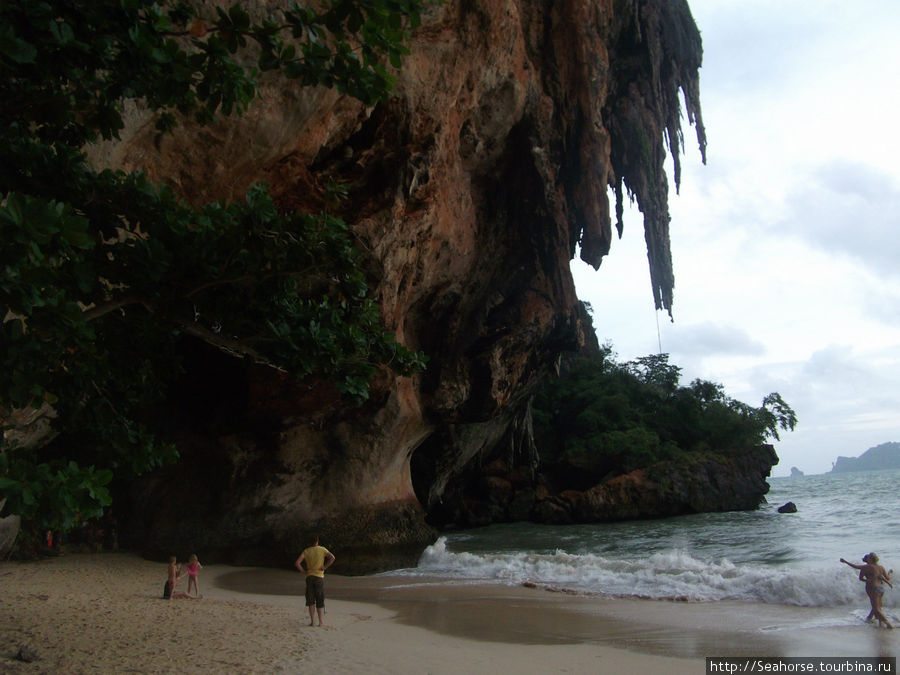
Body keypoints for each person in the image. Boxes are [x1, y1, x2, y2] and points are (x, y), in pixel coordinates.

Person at [841, 553, 893, 628]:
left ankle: (888, 624)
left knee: (876, 608)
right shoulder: (880, 567)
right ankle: (879, 623)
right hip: (881, 589)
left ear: (871, 559)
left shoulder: (867, 567)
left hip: (873, 588)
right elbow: (887, 578)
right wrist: (889, 573)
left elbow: (855, 566)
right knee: (878, 607)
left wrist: (845, 561)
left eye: (868, 557)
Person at [295, 535, 335, 626]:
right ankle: (320, 622)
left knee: (311, 599)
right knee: (319, 598)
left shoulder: (306, 551)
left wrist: (304, 572)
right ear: (317, 541)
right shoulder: (322, 549)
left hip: (309, 577)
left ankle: (313, 621)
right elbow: (332, 558)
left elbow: (297, 563)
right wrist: (324, 567)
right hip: (319, 577)